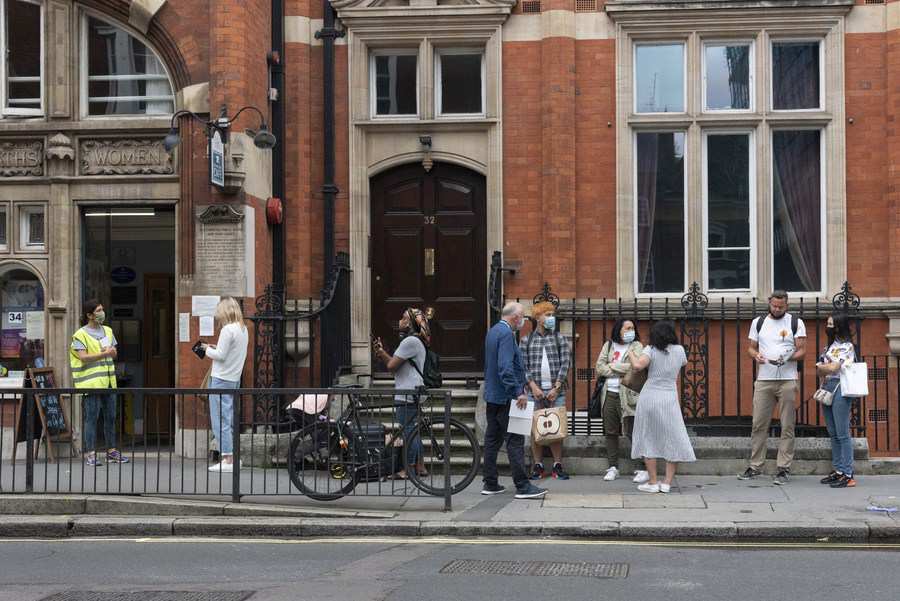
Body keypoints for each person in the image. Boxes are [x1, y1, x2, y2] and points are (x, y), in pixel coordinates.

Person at [739, 290, 807, 485]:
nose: (777, 309)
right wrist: (756, 355)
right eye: (774, 306)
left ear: (787, 305)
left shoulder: (796, 322)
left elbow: (802, 351)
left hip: (788, 379)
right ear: (769, 303)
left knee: (787, 425)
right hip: (764, 379)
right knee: (758, 424)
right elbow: (750, 347)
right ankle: (755, 466)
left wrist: (788, 358)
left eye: (781, 307)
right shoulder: (758, 322)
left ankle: (783, 468)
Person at [482, 301, 547, 499]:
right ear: (515, 317)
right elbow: (505, 367)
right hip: (508, 397)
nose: (524, 320)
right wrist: (518, 391)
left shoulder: (493, 331)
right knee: (515, 440)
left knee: (492, 440)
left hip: (493, 396)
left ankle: (490, 483)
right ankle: (523, 486)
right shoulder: (506, 334)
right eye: (523, 316)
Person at [627, 321, 695, 493]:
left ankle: (653, 482)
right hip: (669, 398)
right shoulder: (679, 350)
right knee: (673, 438)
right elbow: (682, 363)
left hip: (650, 396)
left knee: (648, 437)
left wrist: (630, 353)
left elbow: (637, 366)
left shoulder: (650, 350)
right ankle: (667, 483)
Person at [372, 307, 433, 479]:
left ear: (410, 323)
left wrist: (382, 353)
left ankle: (409, 469)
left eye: (403, 318)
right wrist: (381, 353)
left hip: (407, 392)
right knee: (413, 430)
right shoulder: (415, 341)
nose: (400, 320)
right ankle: (420, 466)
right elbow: (395, 366)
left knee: (408, 432)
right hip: (412, 390)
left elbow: (391, 366)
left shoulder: (410, 341)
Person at [70, 299, 128, 466]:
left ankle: (111, 451)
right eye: (98, 310)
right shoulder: (80, 334)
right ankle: (90, 453)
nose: (102, 313)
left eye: (102, 309)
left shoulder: (108, 331)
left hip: (109, 382)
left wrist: (111, 352)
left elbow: (114, 353)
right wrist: (104, 354)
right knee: (91, 419)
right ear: (89, 315)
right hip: (91, 384)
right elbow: (83, 357)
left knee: (111, 417)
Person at [520, 301, 571, 480]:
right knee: (536, 429)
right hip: (534, 392)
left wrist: (556, 387)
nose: (551, 318)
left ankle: (557, 465)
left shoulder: (559, 338)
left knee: (556, 427)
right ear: (538, 317)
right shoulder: (526, 340)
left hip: (556, 391)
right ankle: (538, 465)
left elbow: (565, 363)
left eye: (552, 315)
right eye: (548, 315)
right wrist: (533, 387)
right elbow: (522, 365)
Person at [595, 318, 648, 484]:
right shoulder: (609, 345)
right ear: (619, 329)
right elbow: (599, 368)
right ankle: (613, 467)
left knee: (633, 431)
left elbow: (635, 367)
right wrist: (620, 369)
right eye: (627, 328)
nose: (631, 331)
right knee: (611, 432)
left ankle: (642, 467)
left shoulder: (637, 346)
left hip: (628, 395)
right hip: (609, 394)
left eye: (632, 328)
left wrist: (612, 366)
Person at [200, 297, 249, 473]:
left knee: (220, 420)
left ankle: (227, 458)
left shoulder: (227, 329)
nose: (217, 315)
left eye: (219, 311)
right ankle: (233, 457)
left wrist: (206, 349)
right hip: (234, 379)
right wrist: (215, 347)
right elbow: (230, 352)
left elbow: (220, 356)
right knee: (229, 419)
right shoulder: (243, 329)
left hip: (220, 379)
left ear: (225, 311)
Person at [816, 313, 858, 488]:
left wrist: (825, 367)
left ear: (839, 326)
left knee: (842, 433)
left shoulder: (848, 347)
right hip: (827, 387)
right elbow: (820, 370)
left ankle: (848, 474)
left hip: (841, 387)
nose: (828, 327)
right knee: (833, 432)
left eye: (831, 324)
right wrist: (826, 368)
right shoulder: (829, 347)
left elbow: (832, 367)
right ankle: (839, 470)